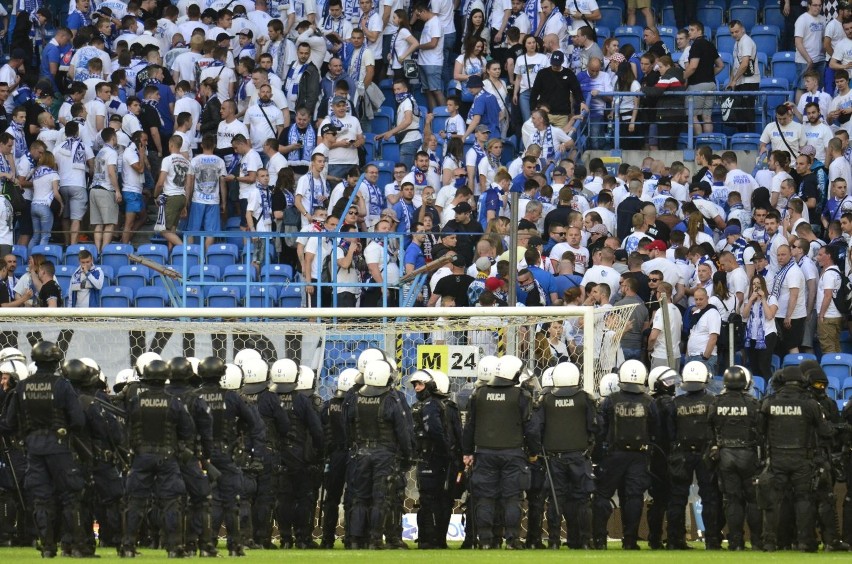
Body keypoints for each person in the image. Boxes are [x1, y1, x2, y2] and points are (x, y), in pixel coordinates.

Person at [3, 342, 87, 557]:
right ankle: (76, 546)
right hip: (59, 447)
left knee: (40, 498)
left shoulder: (21, 387)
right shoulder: (62, 385)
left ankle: (47, 547)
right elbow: (78, 420)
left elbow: (9, 424)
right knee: (70, 496)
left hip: (33, 448)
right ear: (57, 361)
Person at [462, 355, 540, 549]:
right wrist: (533, 452)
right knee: (512, 497)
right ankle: (512, 539)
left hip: (484, 453)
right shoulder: (522, 396)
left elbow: (469, 426)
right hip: (513, 453)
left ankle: (486, 541)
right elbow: (530, 428)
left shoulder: (479, 394)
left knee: (485, 498)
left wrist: (467, 452)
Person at [119, 359, 195, 558]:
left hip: (141, 457)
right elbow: (188, 430)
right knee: (171, 502)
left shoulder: (136, 402)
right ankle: (174, 548)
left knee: (135, 501)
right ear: (165, 378)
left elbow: (127, 430)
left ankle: (127, 547)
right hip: (167, 457)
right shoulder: (174, 402)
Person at [760, 365, 833, 552]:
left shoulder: (769, 401)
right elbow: (825, 431)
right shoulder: (810, 403)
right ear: (803, 381)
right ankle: (804, 542)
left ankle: (770, 542)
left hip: (776, 457)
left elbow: (760, 431)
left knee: (774, 501)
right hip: (802, 459)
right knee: (803, 500)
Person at [343, 359, 413, 549]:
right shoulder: (391, 399)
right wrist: (408, 455)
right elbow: (403, 431)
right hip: (384, 454)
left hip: (359, 453)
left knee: (359, 497)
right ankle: (375, 539)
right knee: (380, 498)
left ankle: (356, 540)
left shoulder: (355, 397)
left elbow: (346, 426)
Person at [592, 359, 657, 550]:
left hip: (613, 455)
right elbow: (655, 429)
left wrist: (598, 457)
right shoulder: (649, 402)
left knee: (602, 494)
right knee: (634, 497)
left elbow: (601, 430)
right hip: (639, 456)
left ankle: (599, 540)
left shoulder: (611, 400)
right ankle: (629, 540)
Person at [534, 362, 597, 549]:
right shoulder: (585, 398)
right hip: (579, 456)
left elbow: (538, 428)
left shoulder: (545, 400)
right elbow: (594, 425)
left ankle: (554, 540)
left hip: (554, 458)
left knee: (555, 500)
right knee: (583, 499)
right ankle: (585, 540)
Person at [665, 361, 721, 550]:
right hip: (706, 454)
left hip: (682, 454)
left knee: (677, 498)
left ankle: (675, 540)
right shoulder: (713, 401)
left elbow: (670, 433)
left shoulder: (676, 403)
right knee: (710, 497)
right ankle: (712, 540)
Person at [708, 365, 763, 551]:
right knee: (753, 500)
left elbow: (710, 427)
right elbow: (762, 430)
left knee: (732, 500)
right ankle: (756, 541)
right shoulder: (753, 403)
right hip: (748, 454)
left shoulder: (716, 402)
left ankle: (735, 542)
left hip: (725, 455)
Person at [154, 135, 191, 248]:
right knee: (172, 229)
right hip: (182, 196)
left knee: (163, 230)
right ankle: (172, 255)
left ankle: (185, 249)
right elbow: (188, 185)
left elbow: (160, 182)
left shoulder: (167, 160)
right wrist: (185, 203)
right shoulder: (186, 162)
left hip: (171, 196)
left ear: (170, 144)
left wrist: (155, 196)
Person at [376, 79, 421, 170]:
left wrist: (391, 133)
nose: (396, 92)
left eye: (398, 89)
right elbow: (402, 125)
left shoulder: (407, 102)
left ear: (405, 89)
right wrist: (385, 134)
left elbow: (408, 121)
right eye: (394, 90)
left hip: (409, 141)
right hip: (410, 140)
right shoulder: (407, 101)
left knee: (405, 174)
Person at [89, 128, 121, 251]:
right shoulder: (112, 152)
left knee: (98, 223)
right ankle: (104, 251)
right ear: (113, 137)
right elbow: (111, 172)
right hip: (106, 189)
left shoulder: (100, 152)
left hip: (94, 188)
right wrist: (117, 190)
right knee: (110, 223)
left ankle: (97, 251)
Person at [816, 244, 845, 353]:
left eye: (820, 255)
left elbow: (827, 295)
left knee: (828, 349)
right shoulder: (836, 272)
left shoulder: (829, 274)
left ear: (829, 256)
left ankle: (831, 370)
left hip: (828, 317)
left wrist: (821, 315)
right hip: (836, 315)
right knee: (836, 347)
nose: (817, 257)